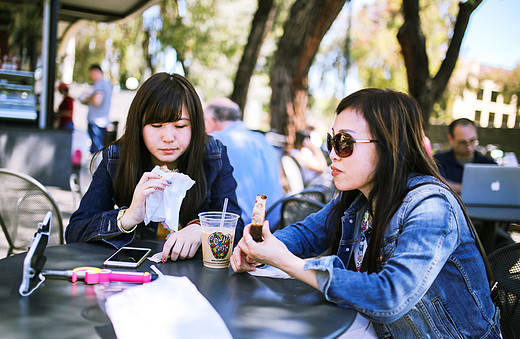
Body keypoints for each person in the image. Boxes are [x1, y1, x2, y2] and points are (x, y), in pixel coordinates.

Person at [231, 88, 501, 337]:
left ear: (388, 147)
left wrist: (285, 261)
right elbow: (307, 233)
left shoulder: (431, 205)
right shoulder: (359, 197)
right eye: (331, 141)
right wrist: (260, 248)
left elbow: (390, 296)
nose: (332, 154)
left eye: (344, 142)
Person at [66, 73, 243, 262]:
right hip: (133, 276)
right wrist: (127, 218)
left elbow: (236, 226)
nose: (168, 137)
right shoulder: (117, 158)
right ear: (139, 126)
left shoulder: (213, 155)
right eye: (156, 125)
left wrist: (201, 228)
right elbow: (75, 232)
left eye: (180, 125)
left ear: (196, 125)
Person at [204, 97, 284, 228]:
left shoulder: (215, 143)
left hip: (239, 227)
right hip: (275, 223)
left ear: (210, 121)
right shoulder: (263, 140)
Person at [434, 118, 496, 194]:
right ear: (451, 139)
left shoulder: (490, 165)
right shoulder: (437, 161)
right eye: (462, 143)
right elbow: (434, 184)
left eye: (472, 141)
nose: (469, 148)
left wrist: (455, 187)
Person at [80, 64, 113, 154]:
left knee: (96, 151)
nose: (90, 76)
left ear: (96, 72)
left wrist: (87, 98)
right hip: (103, 121)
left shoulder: (99, 84)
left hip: (96, 121)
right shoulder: (108, 84)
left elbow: (97, 101)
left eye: (91, 73)